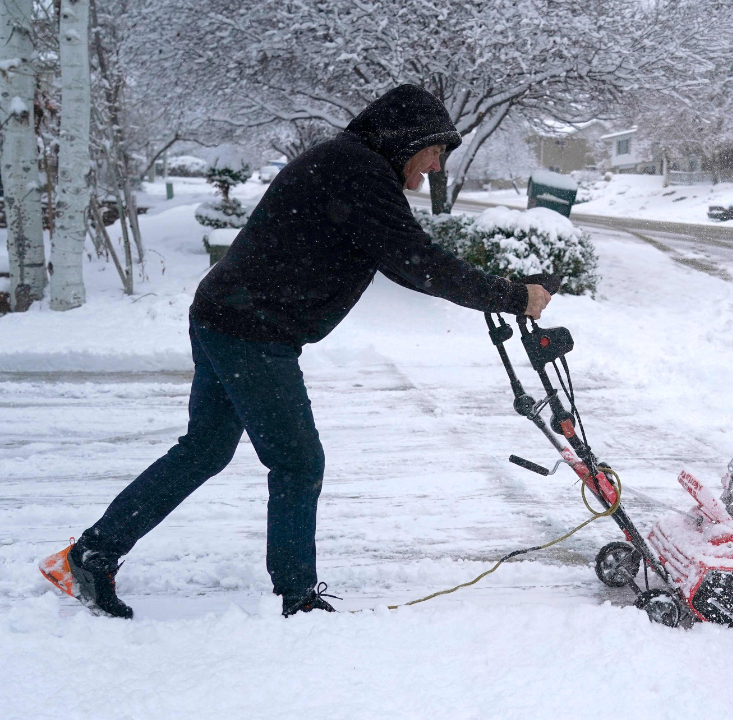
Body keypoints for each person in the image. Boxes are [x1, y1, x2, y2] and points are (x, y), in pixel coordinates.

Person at [38, 85, 552, 618]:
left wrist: (500, 289)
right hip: (252, 331)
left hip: (226, 314)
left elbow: (410, 256)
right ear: (409, 140)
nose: (437, 166)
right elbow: (417, 261)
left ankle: (90, 555)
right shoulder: (360, 172)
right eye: (436, 151)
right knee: (298, 462)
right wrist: (513, 296)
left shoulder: (349, 163)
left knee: (205, 450)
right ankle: (296, 596)